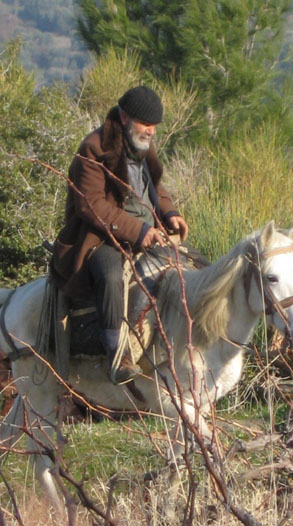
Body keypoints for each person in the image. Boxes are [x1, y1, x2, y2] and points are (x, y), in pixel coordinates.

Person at [51, 86, 188, 384]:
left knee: (191, 266)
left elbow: (156, 188)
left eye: (154, 126)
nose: (151, 131)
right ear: (125, 117)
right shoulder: (93, 148)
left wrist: (170, 214)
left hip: (146, 232)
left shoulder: (141, 145)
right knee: (111, 274)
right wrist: (140, 232)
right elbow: (91, 205)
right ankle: (117, 356)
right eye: (145, 124)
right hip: (101, 237)